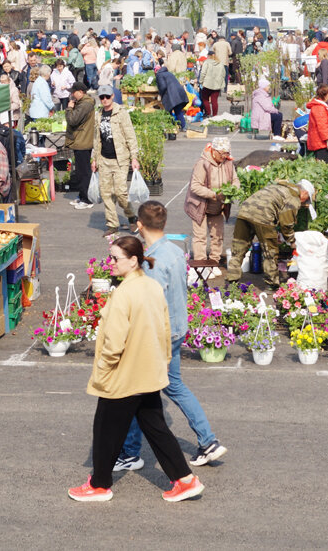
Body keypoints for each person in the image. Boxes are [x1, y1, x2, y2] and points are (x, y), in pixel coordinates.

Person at [68, 235, 204, 503]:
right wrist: (163, 361)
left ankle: (99, 485)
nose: (111, 263)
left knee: (106, 428)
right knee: (155, 427)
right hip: (149, 371)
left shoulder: (123, 294)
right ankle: (185, 480)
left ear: (133, 260)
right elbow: (166, 328)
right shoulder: (151, 286)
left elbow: (114, 342)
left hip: (124, 374)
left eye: (115, 258)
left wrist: (104, 370)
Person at [116, 201, 227, 472]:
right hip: (177, 328)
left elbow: (149, 304)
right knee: (174, 385)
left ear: (139, 226)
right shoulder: (175, 251)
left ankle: (130, 453)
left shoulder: (152, 261)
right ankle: (208, 441)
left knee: (132, 389)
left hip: (159, 335)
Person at [225, 179, 314, 290]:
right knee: (270, 252)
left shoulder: (279, 187)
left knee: (238, 248)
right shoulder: (293, 198)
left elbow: (273, 207)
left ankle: (232, 282)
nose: (305, 203)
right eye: (307, 199)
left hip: (244, 212)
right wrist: (292, 241)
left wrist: (275, 231)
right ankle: (272, 285)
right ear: (304, 192)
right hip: (263, 217)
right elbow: (286, 224)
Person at [92, 85, 139, 236]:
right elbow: (96, 139)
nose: (104, 100)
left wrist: (134, 157)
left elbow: (130, 135)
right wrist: (94, 159)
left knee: (120, 193)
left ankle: (131, 216)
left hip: (120, 159)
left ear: (112, 96)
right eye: (102, 97)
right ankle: (112, 224)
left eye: (107, 96)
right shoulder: (98, 114)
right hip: (104, 158)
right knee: (106, 193)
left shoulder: (121, 113)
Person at [183, 137, 239, 264]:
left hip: (218, 206)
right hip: (199, 205)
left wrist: (233, 189)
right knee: (200, 237)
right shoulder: (202, 164)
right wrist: (214, 194)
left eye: (227, 153)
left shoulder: (228, 163)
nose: (225, 156)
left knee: (218, 235)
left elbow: (235, 180)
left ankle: (214, 262)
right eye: (222, 153)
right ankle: (201, 264)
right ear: (214, 150)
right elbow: (195, 186)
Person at [65, 83, 96, 209]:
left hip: (83, 141)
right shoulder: (83, 103)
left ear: (80, 92)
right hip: (81, 140)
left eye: (74, 92)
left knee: (83, 172)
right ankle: (82, 195)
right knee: (81, 171)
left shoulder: (85, 104)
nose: (72, 94)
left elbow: (72, 120)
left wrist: (69, 108)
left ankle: (87, 199)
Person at [155, 65, 189, 130]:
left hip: (171, 95)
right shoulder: (169, 73)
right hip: (179, 93)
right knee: (178, 111)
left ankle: (172, 127)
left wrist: (160, 93)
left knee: (169, 112)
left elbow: (163, 87)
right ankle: (182, 126)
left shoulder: (159, 75)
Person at [198, 52, 226, 117]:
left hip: (207, 84)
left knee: (205, 98)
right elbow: (223, 73)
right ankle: (215, 115)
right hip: (217, 84)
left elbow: (203, 73)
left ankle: (208, 113)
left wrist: (201, 81)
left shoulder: (206, 63)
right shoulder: (220, 63)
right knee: (214, 100)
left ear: (208, 56)